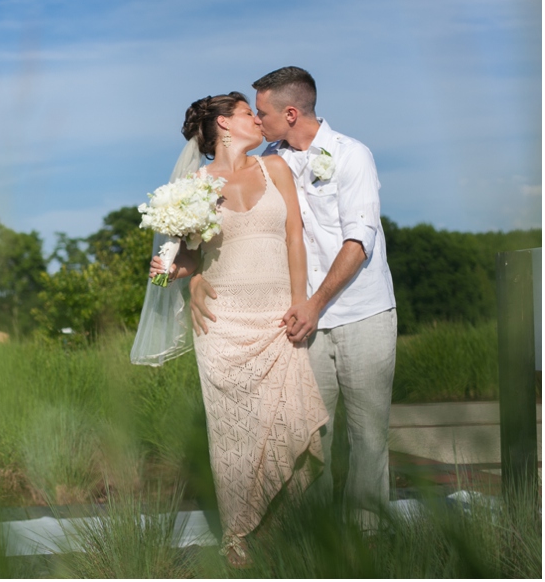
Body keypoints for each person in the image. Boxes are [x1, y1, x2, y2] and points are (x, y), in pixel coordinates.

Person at [189, 67, 397, 534]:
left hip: (361, 312)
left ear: (289, 112)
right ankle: (314, 537)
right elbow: (232, 236)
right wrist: (193, 278)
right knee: (307, 434)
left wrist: (313, 303)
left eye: (260, 112)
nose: (257, 121)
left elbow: (358, 241)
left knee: (367, 435)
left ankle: (371, 537)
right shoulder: (269, 159)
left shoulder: (352, 156)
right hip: (299, 323)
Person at [150, 92, 328, 567]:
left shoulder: (277, 170)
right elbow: (173, 266)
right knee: (234, 438)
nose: (257, 117)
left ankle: (286, 534)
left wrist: (299, 303)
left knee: (289, 423)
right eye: (249, 112)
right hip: (222, 327)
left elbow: (294, 236)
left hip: (278, 321)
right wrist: (180, 274)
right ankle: (237, 538)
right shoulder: (195, 186)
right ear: (225, 125)